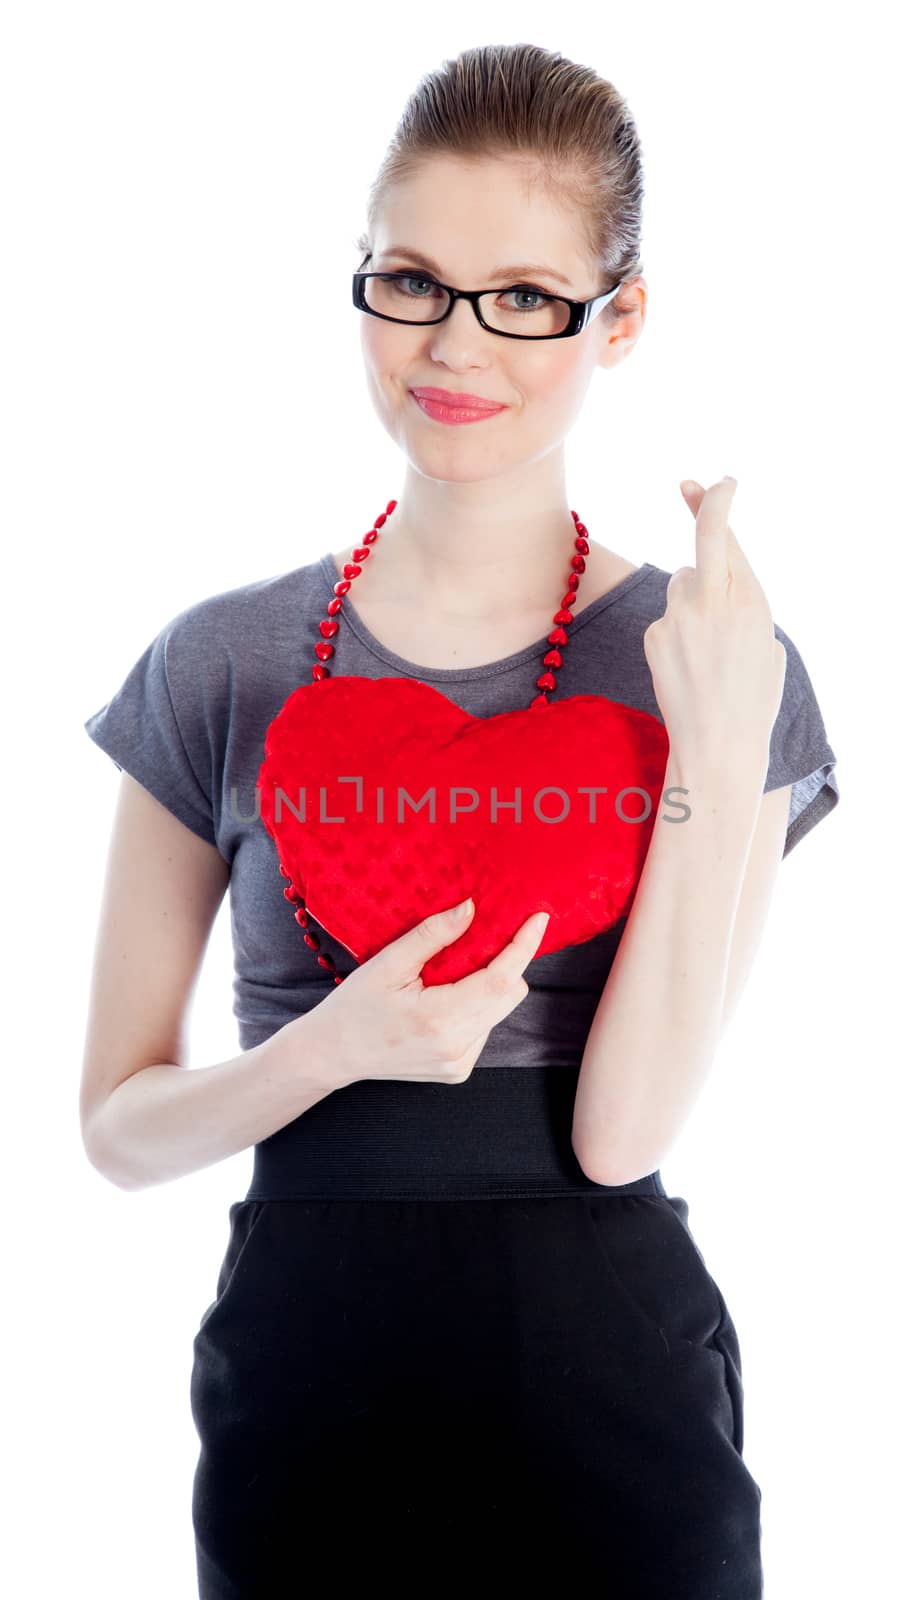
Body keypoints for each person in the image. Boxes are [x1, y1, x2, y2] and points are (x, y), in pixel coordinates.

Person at [80, 42, 839, 1598]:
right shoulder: (219, 662)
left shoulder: (709, 658)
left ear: (615, 320)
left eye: (524, 298)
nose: (454, 345)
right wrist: (327, 1050)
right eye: (412, 281)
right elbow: (117, 1132)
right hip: (304, 1382)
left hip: (608, 1389)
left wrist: (709, 741)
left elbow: (626, 1132)